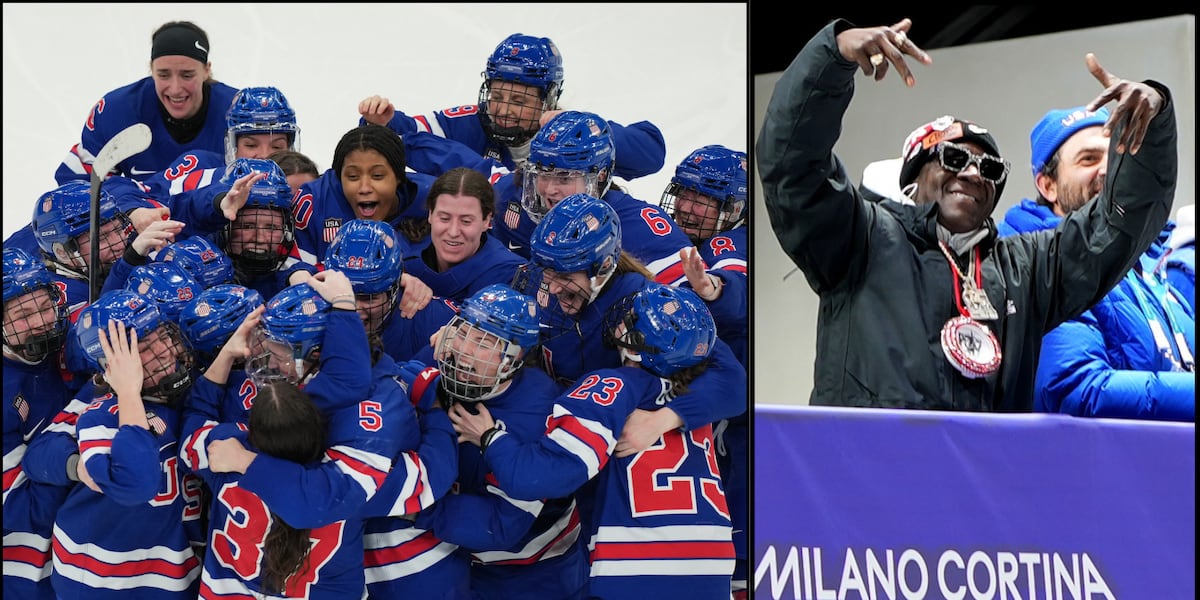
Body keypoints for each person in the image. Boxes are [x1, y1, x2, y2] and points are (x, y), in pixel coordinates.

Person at [756, 17, 1176, 411]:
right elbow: (791, 165)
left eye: (990, 168)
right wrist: (832, 56)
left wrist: (1152, 123)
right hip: (867, 480)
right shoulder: (860, 238)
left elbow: (1120, 226)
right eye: (955, 158)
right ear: (913, 180)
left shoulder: (1026, 269)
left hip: (983, 484)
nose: (974, 173)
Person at [450, 283, 736, 599]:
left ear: (638, 346)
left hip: (636, 566)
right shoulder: (700, 393)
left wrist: (490, 437)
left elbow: (538, 479)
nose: (620, 321)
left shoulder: (609, 385)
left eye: (631, 320)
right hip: (715, 564)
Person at [997, 105, 1193, 420]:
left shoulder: (1153, 262)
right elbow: (1075, 387)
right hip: (1103, 466)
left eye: (1116, 157)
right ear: (1048, 186)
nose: (1108, 169)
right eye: (1088, 159)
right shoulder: (1040, 266)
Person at [408, 284, 589, 600]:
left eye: (483, 342)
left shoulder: (538, 412)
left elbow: (502, 523)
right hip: (461, 560)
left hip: (532, 574)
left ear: (514, 357)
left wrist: (413, 508)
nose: (463, 348)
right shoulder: (446, 361)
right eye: (463, 331)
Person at [23, 290, 202, 598]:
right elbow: (38, 455)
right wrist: (76, 465)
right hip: (101, 580)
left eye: (164, 335)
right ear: (110, 366)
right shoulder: (100, 408)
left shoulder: (193, 389)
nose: (163, 350)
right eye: (142, 347)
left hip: (173, 573)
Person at [358, 32, 666, 181]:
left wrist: (586, 127)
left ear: (549, 99)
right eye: (498, 95)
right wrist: (381, 122)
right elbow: (406, 132)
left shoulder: (574, 130)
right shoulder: (469, 121)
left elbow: (650, 155)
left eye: (519, 101)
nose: (503, 109)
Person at [657, 143, 750, 597]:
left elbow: (735, 286)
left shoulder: (730, 243)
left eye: (704, 200)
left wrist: (712, 288)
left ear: (733, 207)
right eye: (685, 195)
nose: (689, 208)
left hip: (734, 412)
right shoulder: (671, 240)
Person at [54, 21, 238, 184]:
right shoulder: (117, 110)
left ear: (207, 70)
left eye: (187, 75)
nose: (175, 88)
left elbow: (263, 181)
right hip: (142, 219)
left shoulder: (240, 111)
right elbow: (76, 183)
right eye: (163, 75)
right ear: (151, 69)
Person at [282, 124, 435, 318]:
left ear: (399, 177)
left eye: (377, 176)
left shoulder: (435, 201)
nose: (364, 187)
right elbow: (290, 273)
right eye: (352, 176)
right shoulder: (315, 200)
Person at [2, 248, 72, 600]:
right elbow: (21, 508)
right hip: (21, 573)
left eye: (46, 307)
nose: (42, 322)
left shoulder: (51, 351)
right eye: (24, 314)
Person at [322, 218, 458, 362]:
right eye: (343, 294)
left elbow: (478, 328)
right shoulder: (312, 314)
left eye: (368, 297)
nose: (353, 308)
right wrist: (297, 271)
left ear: (393, 289)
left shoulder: (433, 319)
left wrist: (462, 335)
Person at [401, 166, 525, 302]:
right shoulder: (402, 255)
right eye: (444, 218)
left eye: (466, 221)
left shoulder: (508, 276)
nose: (453, 232)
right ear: (430, 214)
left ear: (486, 221)